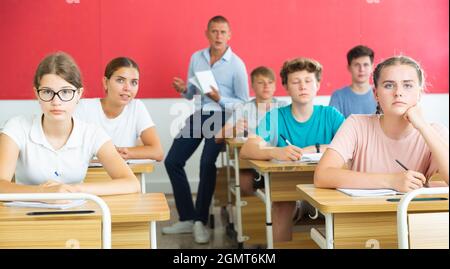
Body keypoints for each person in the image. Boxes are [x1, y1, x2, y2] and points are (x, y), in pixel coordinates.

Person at [0, 52, 140, 196]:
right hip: (24, 215)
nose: (56, 101)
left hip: (76, 212)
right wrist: (43, 192)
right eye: (47, 92)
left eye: (66, 92)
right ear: (37, 94)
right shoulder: (16, 127)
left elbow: (132, 183)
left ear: (78, 94)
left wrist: (74, 189)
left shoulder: (92, 133)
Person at [163, 15, 249, 244]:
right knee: (172, 161)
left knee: (205, 163)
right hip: (200, 114)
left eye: (223, 32)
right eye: (214, 31)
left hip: (223, 118)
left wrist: (220, 98)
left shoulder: (236, 64)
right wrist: (184, 89)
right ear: (207, 33)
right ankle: (188, 218)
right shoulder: (196, 58)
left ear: (229, 35)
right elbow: (193, 92)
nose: (218, 36)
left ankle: (200, 220)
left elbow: (243, 103)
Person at [239, 57, 345, 242]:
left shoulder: (331, 115)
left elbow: (352, 146)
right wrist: (275, 151)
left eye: (308, 81)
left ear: (318, 84)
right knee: (281, 206)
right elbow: (247, 149)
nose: (302, 86)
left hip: (327, 186)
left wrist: (315, 148)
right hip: (288, 187)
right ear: (287, 87)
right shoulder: (276, 116)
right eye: (295, 82)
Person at [315, 55, 449, 191]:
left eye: (407, 85)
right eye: (389, 85)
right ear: (376, 94)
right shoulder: (356, 125)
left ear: (419, 93)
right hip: (362, 211)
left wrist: (423, 126)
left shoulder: (435, 132)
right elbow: (321, 176)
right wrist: (391, 181)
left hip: (413, 212)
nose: (398, 93)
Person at [75, 57, 163, 161]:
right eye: (120, 80)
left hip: (125, 175)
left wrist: (121, 153)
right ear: (105, 82)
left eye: (134, 82)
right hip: (89, 176)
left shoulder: (136, 107)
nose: (127, 88)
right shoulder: (83, 107)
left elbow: (158, 152)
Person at [216, 66, 287, 195]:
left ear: (275, 86)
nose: (266, 86)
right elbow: (218, 136)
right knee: (244, 183)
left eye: (270, 82)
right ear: (253, 86)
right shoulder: (244, 108)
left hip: (280, 158)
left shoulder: (284, 106)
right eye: (261, 82)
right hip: (251, 160)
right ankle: (258, 210)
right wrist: (233, 129)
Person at [329, 45, 377, 118]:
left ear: (372, 67)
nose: (362, 69)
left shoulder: (381, 94)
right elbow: (334, 127)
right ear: (349, 67)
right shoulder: (338, 97)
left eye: (366, 65)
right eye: (357, 65)